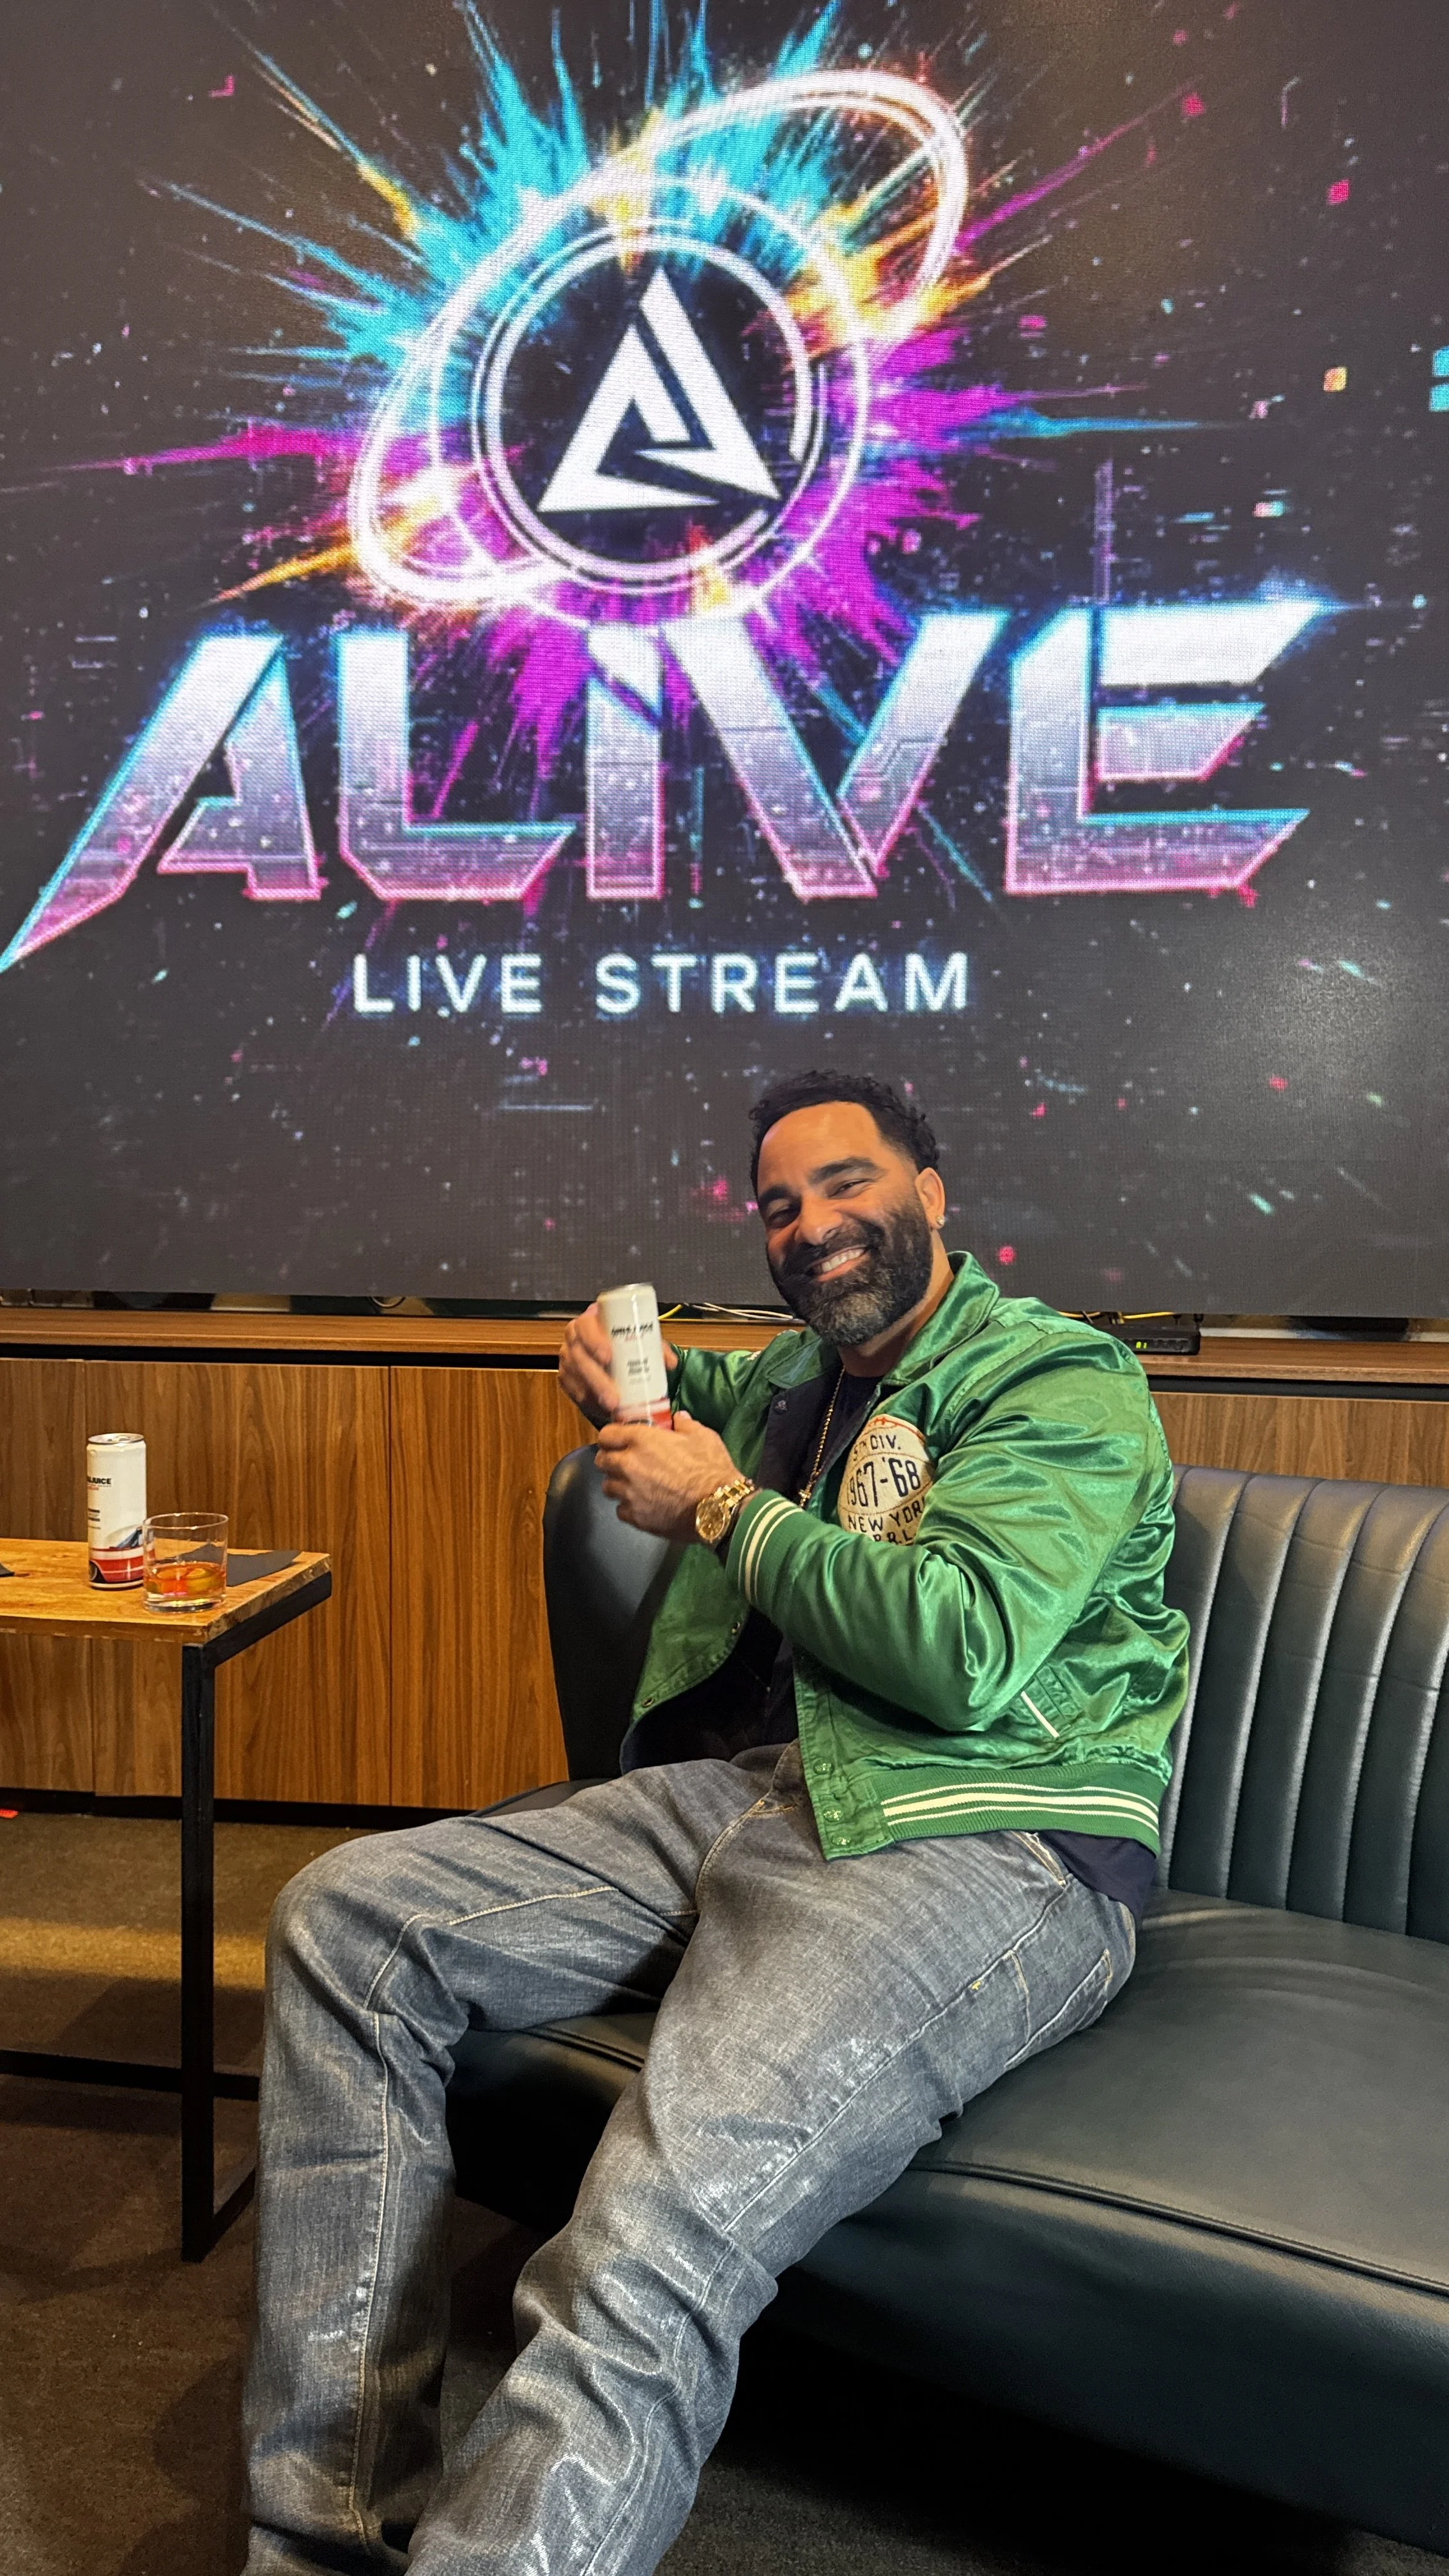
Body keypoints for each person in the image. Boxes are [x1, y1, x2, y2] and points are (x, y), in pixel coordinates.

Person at [242, 1070, 1189, 2575]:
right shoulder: (801, 1379)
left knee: (649, 2223)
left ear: (934, 1194)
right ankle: (320, 2536)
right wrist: (623, 1380)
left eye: (847, 1183)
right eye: (778, 1205)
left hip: (984, 1834)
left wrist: (725, 1509)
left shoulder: (1058, 1378)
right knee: (346, 1922)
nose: (811, 1225)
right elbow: (690, 1402)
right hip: (757, 1790)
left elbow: (965, 1647)